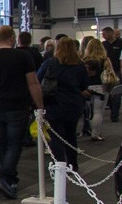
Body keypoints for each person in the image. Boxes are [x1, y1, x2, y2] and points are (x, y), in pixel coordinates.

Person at [0, 25, 44, 199]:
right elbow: (33, 83)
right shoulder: (23, 56)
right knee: (15, 145)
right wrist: (40, 106)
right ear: (12, 37)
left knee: (2, 144)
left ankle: (10, 180)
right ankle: (6, 177)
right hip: (17, 107)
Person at [37, 38, 89, 170]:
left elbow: (38, 78)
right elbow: (84, 85)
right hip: (73, 103)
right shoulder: (80, 65)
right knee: (71, 135)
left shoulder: (50, 63)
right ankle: (73, 164)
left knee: (56, 137)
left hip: (54, 103)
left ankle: (59, 166)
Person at [82, 38, 113, 141]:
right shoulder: (105, 59)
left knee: (88, 112)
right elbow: (110, 73)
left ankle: (88, 129)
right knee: (98, 112)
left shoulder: (83, 60)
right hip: (101, 88)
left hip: (87, 88)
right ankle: (95, 134)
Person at [102, 26, 122, 122]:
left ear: (110, 33)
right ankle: (110, 108)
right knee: (106, 92)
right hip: (106, 71)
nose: (103, 36)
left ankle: (114, 115)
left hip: (118, 71)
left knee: (116, 93)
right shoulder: (103, 45)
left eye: (104, 34)